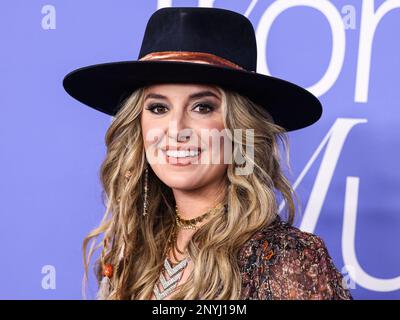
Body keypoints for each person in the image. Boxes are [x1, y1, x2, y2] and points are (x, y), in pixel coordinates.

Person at [62, 7, 353, 300]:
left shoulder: (286, 260)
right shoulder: (130, 250)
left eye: (202, 107)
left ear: (241, 129)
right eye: (158, 108)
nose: (176, 130)